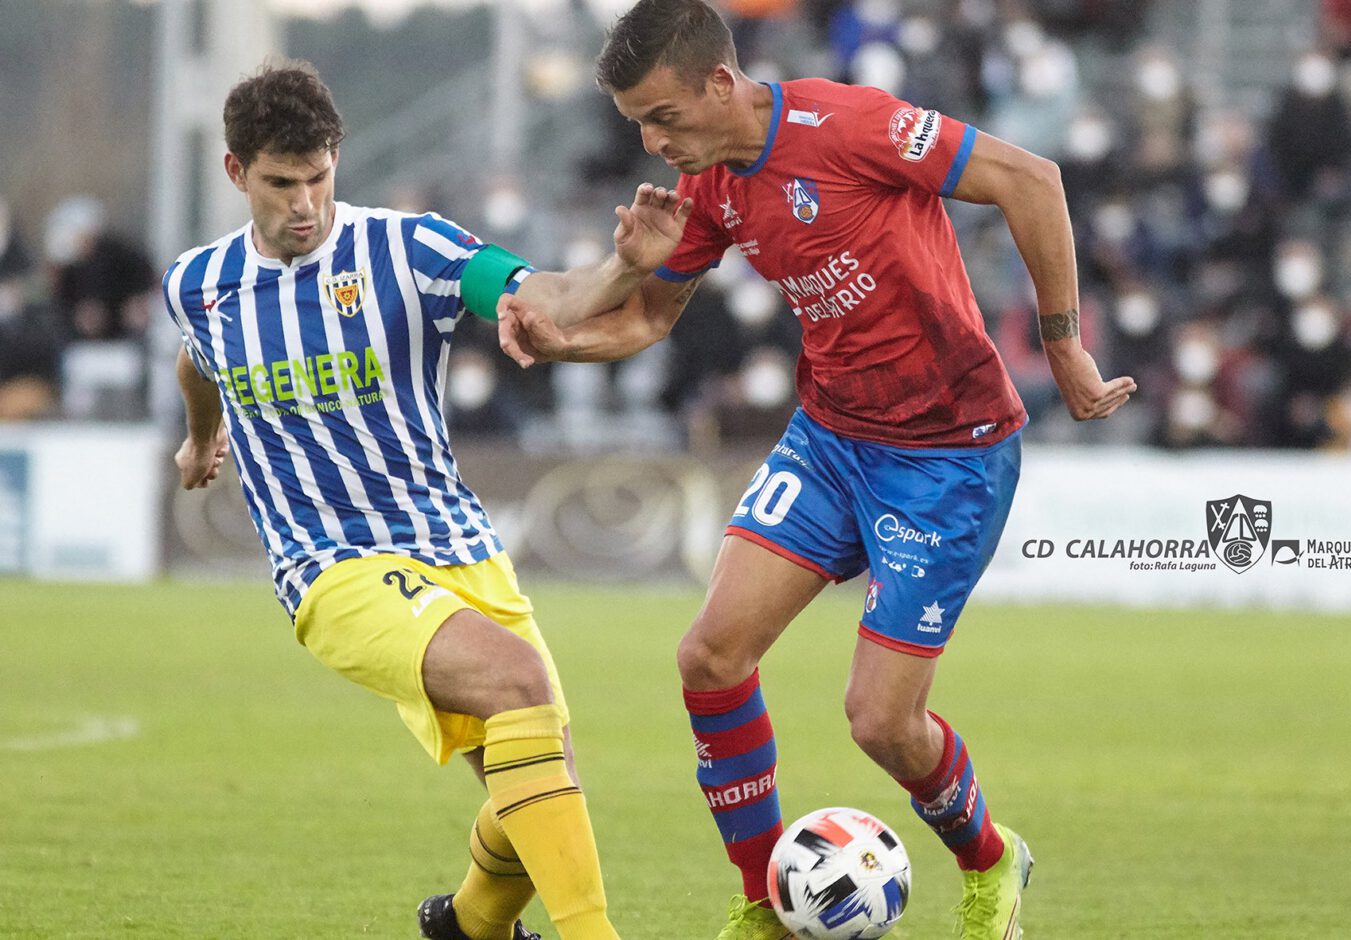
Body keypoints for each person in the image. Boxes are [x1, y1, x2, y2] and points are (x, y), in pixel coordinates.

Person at [496, 2, 1136, 938]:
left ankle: (993, 860)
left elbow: (1029, 177)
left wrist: (1063, 346)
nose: (650, 139)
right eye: (636, 122)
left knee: (880, 722)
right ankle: (763, 902)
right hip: (832, 438)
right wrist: (560, 342)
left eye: (663, 115)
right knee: (708, 659)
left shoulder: (847, 124)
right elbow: (644, 321)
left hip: (947, 453)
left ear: (721, 82)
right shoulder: (709, 184)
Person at [164, 62, 691, 940]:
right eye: (281, 182)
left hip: (458, 544)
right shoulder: (201, 281)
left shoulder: (409, 250)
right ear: (236, 173)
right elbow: (196, 354)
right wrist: (198, 435)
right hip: (331, 567)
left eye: (320, 175)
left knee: (537, 793)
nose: (305, 202)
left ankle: (468, 927)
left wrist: (621, 267)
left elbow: (547, 298)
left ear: (339, 158)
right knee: (520, 686)